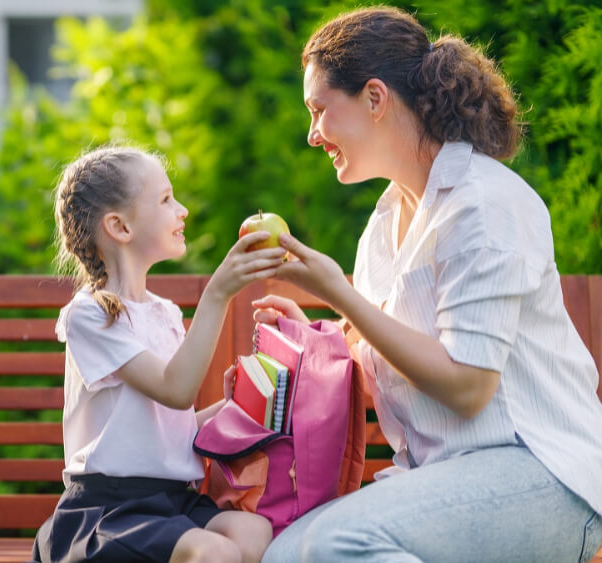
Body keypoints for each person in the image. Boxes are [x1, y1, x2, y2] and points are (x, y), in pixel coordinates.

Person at [256, 7, 602, 561]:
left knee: (335, 544)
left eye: (319, 110)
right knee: (283, 552)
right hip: (450, 478)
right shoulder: (384, 226)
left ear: (374, 97)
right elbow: (389, 348)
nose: (312, 134)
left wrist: (335, 290)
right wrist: (322, 338)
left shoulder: (483, 205)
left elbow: (467, 386)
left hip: (543, 472)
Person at [32, 146, 277, 563]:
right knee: (212, 552)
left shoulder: (163, 313)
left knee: (253, 531)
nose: (181, 210)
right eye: (165, 200)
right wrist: (219, 292)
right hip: (108, 509)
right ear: (120, 226)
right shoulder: (89, 316)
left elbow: (168, 426)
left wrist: (237, 405)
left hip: (171, 501)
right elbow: (176, 390)